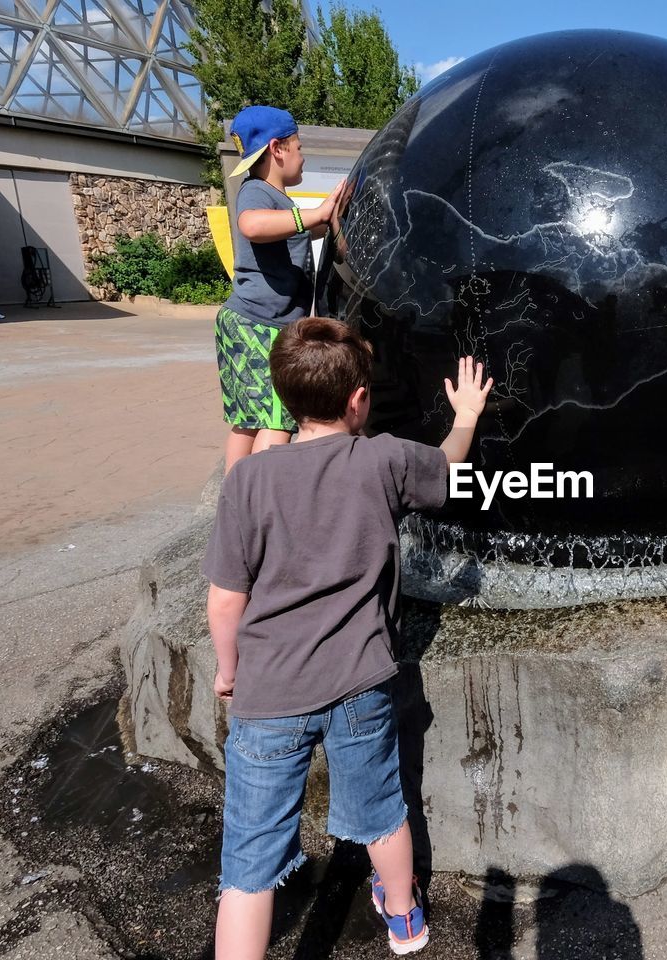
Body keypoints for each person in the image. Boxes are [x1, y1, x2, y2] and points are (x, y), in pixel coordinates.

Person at [203, 316, 493, 958]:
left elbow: (225, 599)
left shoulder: (248, 480)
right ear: (360, 400)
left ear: (283, 399)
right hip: (362, 681)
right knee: (380, 808)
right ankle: (405, 918)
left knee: (250, 857)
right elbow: (446, 470)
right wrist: (467, 414)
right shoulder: (385, 459)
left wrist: (229, 671)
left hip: (270, 692)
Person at [216, 104, 347, 475]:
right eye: (299, 148)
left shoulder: (279, 202)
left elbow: (301, 232)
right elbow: (252, 226)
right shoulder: (257, 192)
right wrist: (314, 214)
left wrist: (331, 216)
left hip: (244, 321)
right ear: (278, 149)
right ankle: (261, 499)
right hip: (259, 324)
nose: (303, 157)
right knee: (277, 418)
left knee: (248, 418)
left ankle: (236, 499)